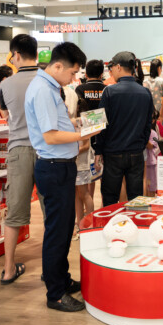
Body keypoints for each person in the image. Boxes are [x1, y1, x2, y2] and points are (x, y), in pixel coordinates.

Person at [25, 42, 100, 312]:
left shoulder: (50, 87)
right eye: (72, 72)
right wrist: (83, 134)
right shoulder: (43, 90)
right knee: (57, 232)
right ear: (57, 66)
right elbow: (51, 136)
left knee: (64, 227)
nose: (73, 78)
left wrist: (79, 124)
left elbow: (57, 125)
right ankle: (55, 293)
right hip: (54, 167)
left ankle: (62, 279)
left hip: (61, 166)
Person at [0, 35, 41, 286]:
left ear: (15, 55)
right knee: (51, 210)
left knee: (14, 213)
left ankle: (8, 270)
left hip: (18, 150)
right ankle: (52, 268)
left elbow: (6, 114)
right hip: (47, 150)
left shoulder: (6, 85)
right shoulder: (48, 80)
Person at [95, 52, 154, 207]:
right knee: (136, 199)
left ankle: (111, 222)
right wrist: (141, 144)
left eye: (112, 68)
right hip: (136, 153)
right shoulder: (145, 92)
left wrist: (99, 150)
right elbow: (148, 124)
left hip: (112, 153)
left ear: (119, 67)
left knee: (110, 199)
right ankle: (136, 222)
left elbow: (101, 125)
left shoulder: (110, 92)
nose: (111, 72)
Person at [73, 98, 94, 240]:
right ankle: (80, 224)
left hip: (81, 164)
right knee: (77, 194)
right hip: (75, 163)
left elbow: (86, 146)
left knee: (84, 193)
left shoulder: (84, 122)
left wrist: (74, 151)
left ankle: (90, 224)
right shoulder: (74, 122)